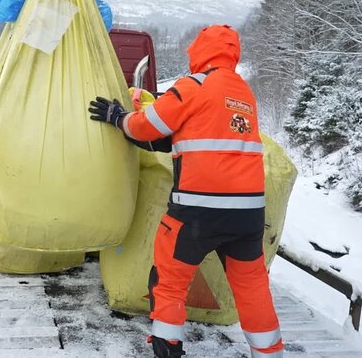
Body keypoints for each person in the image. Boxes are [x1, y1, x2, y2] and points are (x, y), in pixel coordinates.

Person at [88, 25, 283, 358]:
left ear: (200, 50)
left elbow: (145, 126)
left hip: (197, 212)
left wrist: (117, 117)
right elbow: (202, 136)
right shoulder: (243, 93)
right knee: (252, 288)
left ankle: (169, 348)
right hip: (249, 215)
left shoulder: (193, 85)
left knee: (170, 281)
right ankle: (270, 353)